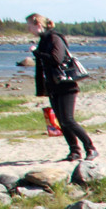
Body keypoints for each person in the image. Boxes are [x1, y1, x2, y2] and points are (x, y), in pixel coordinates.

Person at [28, 13, 97, 161]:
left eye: (30, 26)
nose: (29, 29)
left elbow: (56, 59)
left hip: (66, 85)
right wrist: (42, 88)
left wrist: (37, 53)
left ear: (38, 25)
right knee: (62, 121)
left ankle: (90, 148)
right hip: (53, 86)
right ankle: (74, 151)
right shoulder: (43, 40)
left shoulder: (54, 38)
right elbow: (43, 66)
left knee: (68, 119)